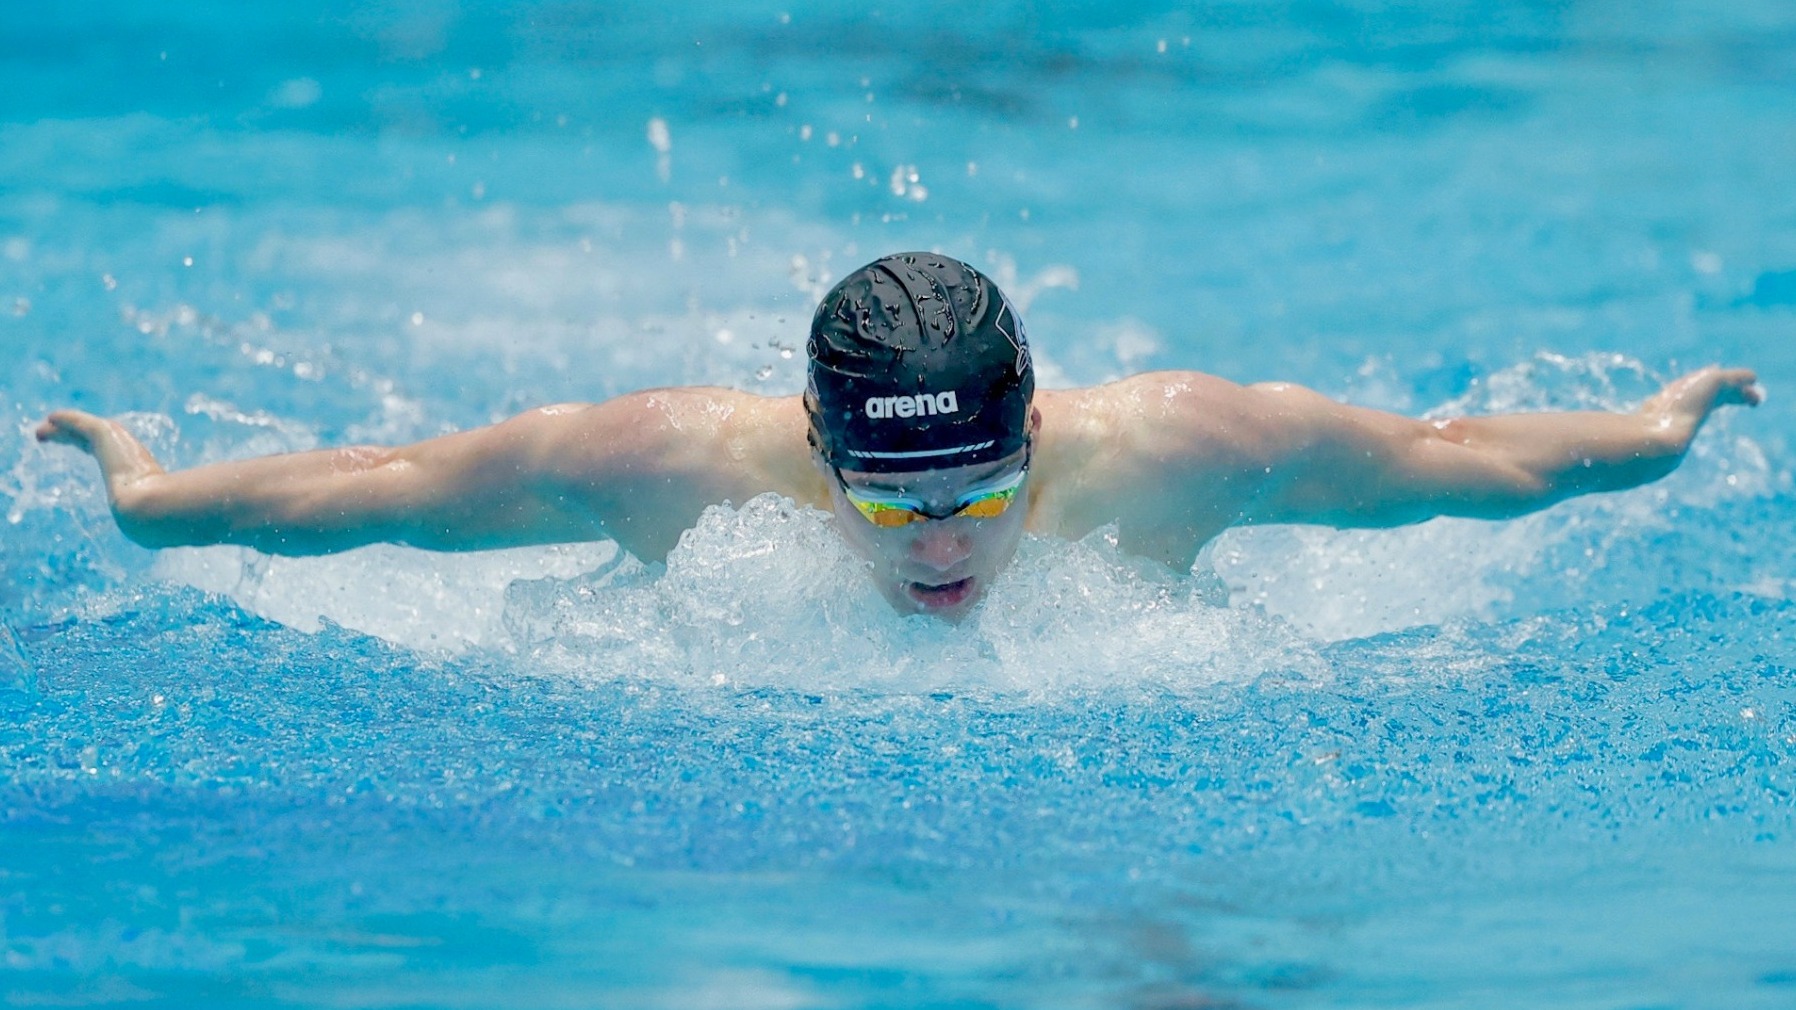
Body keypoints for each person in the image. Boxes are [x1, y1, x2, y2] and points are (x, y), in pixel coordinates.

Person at [36, 253, 1762, 619]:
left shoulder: (1185, 446)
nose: (944, 538)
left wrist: (1654, 432)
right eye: (891, 500)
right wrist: (152, 498)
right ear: (815, 452)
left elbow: (1455, 458)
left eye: (983, 488)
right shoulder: (673, 467)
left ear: (1040, 424)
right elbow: (386, 488)